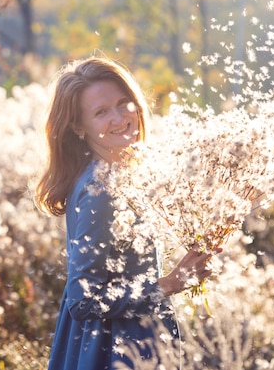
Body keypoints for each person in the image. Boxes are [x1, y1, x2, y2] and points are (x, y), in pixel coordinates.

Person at [35, 56, 219, 369]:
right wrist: (170, 284)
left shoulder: (120, 173)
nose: (120, 117)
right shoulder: (99, 190)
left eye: (123, 103)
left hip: (133, 339)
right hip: (113, 351)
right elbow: (83, 300)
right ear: (79, 127)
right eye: (101, 112)